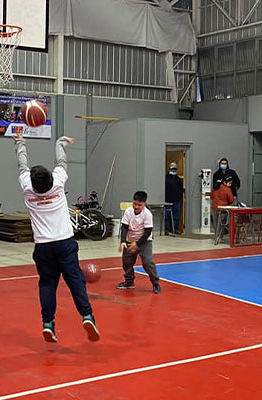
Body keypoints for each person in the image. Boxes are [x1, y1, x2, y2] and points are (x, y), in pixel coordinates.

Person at [13, 131, 100, 343]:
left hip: (43, 247)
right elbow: (61, 160)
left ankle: (48, 323)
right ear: (51, 178)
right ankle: (87, 316)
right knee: (75, 280)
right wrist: (61, 142)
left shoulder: (27, 188)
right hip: (64, 243)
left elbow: (22, 165)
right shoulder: (59, 183)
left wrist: (20, 142)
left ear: (33, 183)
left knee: (47, 284)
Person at [117, 191, 161, 294]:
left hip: (144, 241)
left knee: (148, 263)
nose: (136, 206)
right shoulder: (128, 212)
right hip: (130, 240)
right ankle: (129, 282)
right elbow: (124, 227)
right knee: (126, 263)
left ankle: (155, 283)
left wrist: (137, 245)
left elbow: (147, 232)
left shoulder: (147, 215)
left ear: (144, 204)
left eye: (139, 205)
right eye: (134, 204)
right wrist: (123, 241)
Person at [165, 162, 184, 234]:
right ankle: (166, 229)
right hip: (167, 200)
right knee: (166, 216)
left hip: (176, 200)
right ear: (169, 169)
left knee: (176, 216)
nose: (173, 170)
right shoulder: (166, 178)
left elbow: (181, 189)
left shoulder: (178, 179)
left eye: (175, 169)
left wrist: (180, 197)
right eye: (172, 169)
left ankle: (175, 229)